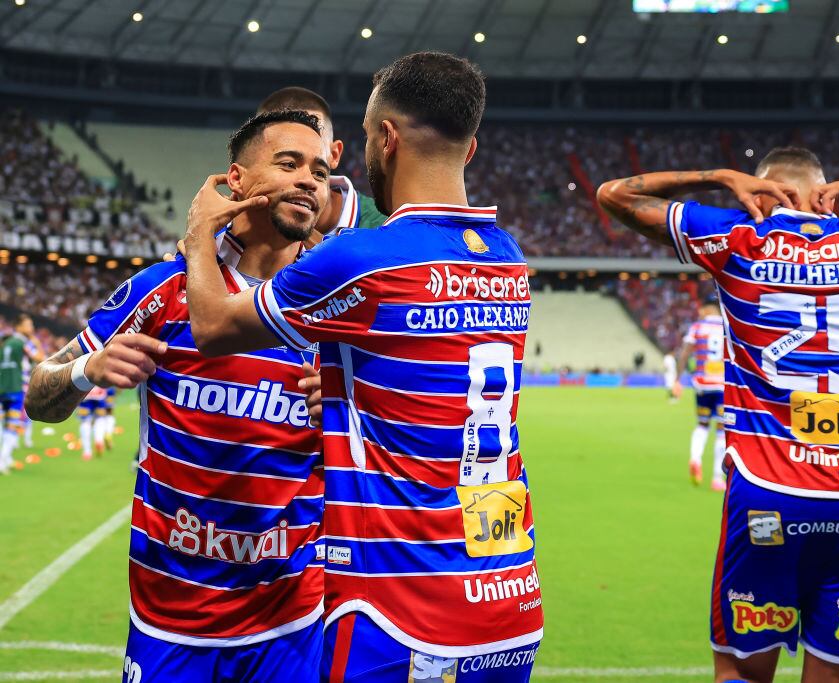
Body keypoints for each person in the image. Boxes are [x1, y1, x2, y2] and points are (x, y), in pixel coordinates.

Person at [181, 51, 542, 683]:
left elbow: (212, 326)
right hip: (508, 595)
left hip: (399, 604)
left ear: (385, 138)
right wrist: (352, 393)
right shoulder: (508, 260)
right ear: (471, 148)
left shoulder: (362, 259)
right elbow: (419, 370)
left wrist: (195, 237)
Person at [597, 147, 839, 683]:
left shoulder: (738, 238)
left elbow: (615, 195)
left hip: (769, 489)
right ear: (825, 189)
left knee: (741, 670)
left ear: (761, 191)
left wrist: (719, 177)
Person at [26, 109, 333, 681]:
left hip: (291, 621)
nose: (307, 180)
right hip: (170, 620)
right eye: (288, 164)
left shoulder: (336, 306)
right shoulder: (163, 291)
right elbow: (38, 396)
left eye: (318, 170)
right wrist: (87, 369)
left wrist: (348, 411)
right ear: (234, 180)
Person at [257, 86, 388, 235]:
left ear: (334, 154)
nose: (304, 178)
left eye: (313, 142)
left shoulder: (384, 228)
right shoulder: (237, 224)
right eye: (288, 162)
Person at [679, 296, 727, 490]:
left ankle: (695, 459)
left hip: (702, 384)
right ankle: (717, 478)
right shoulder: (726, 326)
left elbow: (684, 354)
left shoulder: (697, 327)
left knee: (701, 425)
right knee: (722, 432)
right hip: (723, 386)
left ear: (708, 309)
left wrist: (676, 380)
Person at [0, 314, 44, 474]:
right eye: (28, 325)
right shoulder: (22, 342)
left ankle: (7, 458)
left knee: (2, 424)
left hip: (2, 387)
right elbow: (40, 358)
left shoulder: (5, 343)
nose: (31, 328)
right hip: (15, 388)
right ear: (18, 327)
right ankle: (2, 460)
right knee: (12, 424)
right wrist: (37, 343)